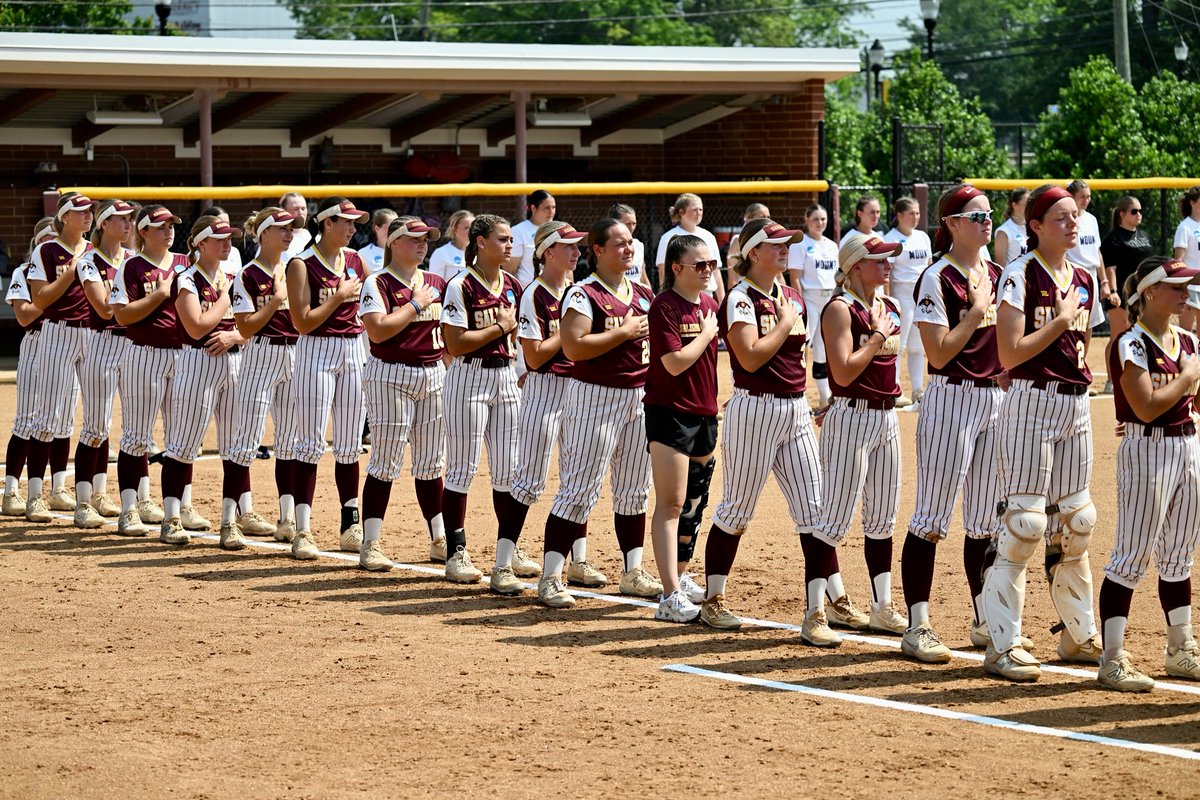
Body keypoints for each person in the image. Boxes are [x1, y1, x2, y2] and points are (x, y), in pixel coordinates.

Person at [982, 184, 1106, 682]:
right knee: (1025, 524)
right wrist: (1059, 322)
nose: (1072, 223)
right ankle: (1002, 644)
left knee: (1077, 521)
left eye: (1075, 215)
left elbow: (1084, 348)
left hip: (1075, 403)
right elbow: (1009, 354)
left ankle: (1077, 633)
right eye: (1059, 217)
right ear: (1034, 225)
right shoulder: (1019, 274)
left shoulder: (1081, 276)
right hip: (1032, 401)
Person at [899, 185, 1007, 663]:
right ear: (952, 224)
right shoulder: (936, 277)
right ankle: (917, 626)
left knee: (985, 522)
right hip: (951, 400)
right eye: (976, 214)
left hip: (994, 401)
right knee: (931, 518)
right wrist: (978, 312)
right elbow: (938, 352)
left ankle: (984, 619)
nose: (987, 221)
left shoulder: (999, 273)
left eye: (989, 214)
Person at [535, 218, 661, 609]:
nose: (628, 248)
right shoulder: (582, 292)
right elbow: (573, 348)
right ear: (599, 250)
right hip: (595, 397)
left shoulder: (642, 291)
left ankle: (633, 571)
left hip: (637, 396)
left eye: (631, 242)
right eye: (619, 243)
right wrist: (621, 333)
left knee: (634, 489)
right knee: (579, 488)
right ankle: (551, 576)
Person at [705, 219, 816, 632]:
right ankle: (713, 598)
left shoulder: (790, 296)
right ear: (754, 253)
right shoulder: (740, 298)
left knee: (815, 511)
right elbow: (749, 358)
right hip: (755, 409)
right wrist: (785, 323)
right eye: (777, 243)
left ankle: (821, 606)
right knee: (737, 507)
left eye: (788, 242)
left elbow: (797, 357)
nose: (786, 247)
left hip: (796, 409)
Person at [1097, 256, 1200, 691]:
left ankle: (1180, 647)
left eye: (1186, 286)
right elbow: (1147, 406)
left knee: (1180, 554)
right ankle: (1113, 657)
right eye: (1176, 287)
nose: (1185, 293)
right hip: (1148, 448)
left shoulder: (1189, 341)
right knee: (1132, 554)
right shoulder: (1131, 342)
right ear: (1151, 293)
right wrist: (1188, 378)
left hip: (1188, 444)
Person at [805, 233, 908, 644]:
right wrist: (879, 338)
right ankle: (814, 612)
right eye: (879, 258)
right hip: (851, 417)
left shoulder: (891, 306)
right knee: (833, 520)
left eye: (888, 258)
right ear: (855, 266)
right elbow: (844, 373)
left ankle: (882, 607)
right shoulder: (838, 309)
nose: (887, 264)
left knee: (883, 519)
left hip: (887, 418)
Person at [507, 221, 605, 588]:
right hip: (545, 389)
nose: (577, 252)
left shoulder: (578, 291)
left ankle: (578, 561)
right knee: (529, 479)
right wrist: (569, 338)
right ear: (548, 251)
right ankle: (503, 564)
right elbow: (533, 358)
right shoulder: (534, 293)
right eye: (568, 246)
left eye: (579, 245)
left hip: (579, 388)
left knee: (576, 479)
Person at [439, 214, 527, 590]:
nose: (510, 245)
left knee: (508, 471)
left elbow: (518, 336)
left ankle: (508, 551)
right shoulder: (460, 284)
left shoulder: (513, 284)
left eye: (511, 239)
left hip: (505, 374)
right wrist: (498, 328)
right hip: (469, 376)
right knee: (462, 467)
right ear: (480, 242)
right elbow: (454, 343)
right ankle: (456, 552)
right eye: (503, 239)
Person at [357, 217, 449, 571]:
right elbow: (378, 332)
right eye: (414, 238)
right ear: (394, 242)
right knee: (386, 459)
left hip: (434, 373)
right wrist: (414, 305)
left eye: (426, 238)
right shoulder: (376, 282)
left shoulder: (437, 282)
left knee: (430, 463)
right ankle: (371, 543)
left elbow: (445, 335)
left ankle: (439, 539)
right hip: (390, 374)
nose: (423, 243)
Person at [286, 197, 369, 561]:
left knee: (350, 442)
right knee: (310, 443)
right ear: (326, 223)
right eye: (346, 221)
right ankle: (302, 529)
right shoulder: (301, 264)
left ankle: (350, 524)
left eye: (354, 222)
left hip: (353, 348)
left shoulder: (354, 259)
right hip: (315, 351)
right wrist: (336, 298)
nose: (352, 228)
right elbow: (301, 322)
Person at [157, 216, 247, 548]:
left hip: (235, 362)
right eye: (219, 238)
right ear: (200, 243)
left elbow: (250, 328)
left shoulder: (235, 278)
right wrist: (227, 298)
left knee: (236, 445)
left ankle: (229, 522)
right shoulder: (186, 279)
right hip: (197, 360)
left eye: (229, 239)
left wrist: (234, 335)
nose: (227, 244)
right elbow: (196, 327)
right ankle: (171, 518)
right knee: (183, 444)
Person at [645, 233, 721, 623]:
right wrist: (707, 334)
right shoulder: (664, 306)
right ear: (677, 268)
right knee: (672, 503)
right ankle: (669, 594)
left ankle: (681, 574)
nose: (708, 270)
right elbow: (674, 363)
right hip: (670, 413)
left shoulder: (709, 303)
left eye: (712, 264)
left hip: (705, 412)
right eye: (700, 265)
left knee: (695, 502)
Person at [108, 205, 191, 536]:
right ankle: (129, 510)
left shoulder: (185, 263)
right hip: (143, 354)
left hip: (184, 356)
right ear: (143, 231)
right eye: (160, 227)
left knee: (181, 436)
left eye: (171, 226)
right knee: (136, 436)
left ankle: (178, 510)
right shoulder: (130, 266)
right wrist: (159, 293)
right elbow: (122, 316)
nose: (169, 231)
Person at [228, 207, 306, 544]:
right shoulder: (246, 274)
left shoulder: (297, 270)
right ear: (263, 234)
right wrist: (274, 302)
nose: (289, 234)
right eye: (281, 228)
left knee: (289, 443)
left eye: (292, 229)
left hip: (296, 352)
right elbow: (244, 327)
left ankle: (287, 518)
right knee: (245, 440)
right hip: (260, 351)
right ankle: (228, 521)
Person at [25, 193, 95, 520]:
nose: (88, 216)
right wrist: (71, 272)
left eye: (90, 210)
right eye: (80, 211)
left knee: (74, 417)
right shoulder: (47, 250)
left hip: (91, 334)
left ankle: (63, 489)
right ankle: (35, 496)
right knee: (47, 416)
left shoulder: (94, 250)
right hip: (58, 331)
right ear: (65, 216)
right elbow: (40, 299)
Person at [72, 199, 138, 527]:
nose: (128, 224)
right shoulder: (88, 261)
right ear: (104, 224)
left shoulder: (133, 259)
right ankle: (83, 502)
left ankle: (106, 493)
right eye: (121, 219)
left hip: (135, 343)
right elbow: (103, 307)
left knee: (134, 428)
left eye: (131, 219)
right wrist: (133, 300)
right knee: (96, 425)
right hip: (102, 343)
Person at [2, 218, 57, 518]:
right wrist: (51, 295)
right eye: (45, 239)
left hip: (69, 341)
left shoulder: (70, 272)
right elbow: (24, 317)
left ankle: (57, 488)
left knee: (58, 423)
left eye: (55, 239)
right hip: (37, 342)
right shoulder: (23, 272)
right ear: (36, 243)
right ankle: (11, 491)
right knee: (27, 420)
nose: (50, 244)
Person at [883, 196, 933, 407]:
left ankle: (917, 390)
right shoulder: (890, 238)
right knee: (899, 345)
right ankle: (892, 390)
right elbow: (887, 273)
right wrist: (889, 301)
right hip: (902, 294)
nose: (915, 217)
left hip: (921, 294)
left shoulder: (922, 236)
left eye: (918, 213)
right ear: (900, 215)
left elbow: (929, 265)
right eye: (911, 213)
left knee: (918, 346)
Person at [1101, 196, 1154, 391]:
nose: (1138, 214)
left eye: (1140, 211)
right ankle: (1111, 380)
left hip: (1142, 294)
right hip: (1121, 294)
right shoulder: (1114, 238)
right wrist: (1113, 292)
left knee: (1141, 335)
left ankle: (1139, 377)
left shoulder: (1145, 236)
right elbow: (1110, 268)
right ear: (1122, 214)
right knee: (1117, 336)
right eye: (1134, 211)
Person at [788, 203, 839, 406]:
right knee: (804, 343)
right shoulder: (800, 244)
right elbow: (795, 279)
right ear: (807, 220)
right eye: (816, 219)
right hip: (809, 298)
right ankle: (797, 391)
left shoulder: (831, 245)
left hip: (829, 297)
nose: (820, 223)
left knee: (823, 347)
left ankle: (824, 397)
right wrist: (802, 307)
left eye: (823, 219)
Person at [655, 193, 725, 303]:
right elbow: (663, 272)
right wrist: (666, 299)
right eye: (694, 210)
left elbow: (716, 272)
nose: (699, 213)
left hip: (707, 295)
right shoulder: (668, 237)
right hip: (680, 295)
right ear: (681, 212)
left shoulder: (708, 236)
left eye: (701, 210)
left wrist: (722, 302)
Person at [508, 190, 555, 287]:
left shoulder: (559, 229)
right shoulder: (519, 231)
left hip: (555, 293)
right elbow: (510, 271)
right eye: (546, 208)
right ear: (533, 208)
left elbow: (567, 270)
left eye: (553, 207)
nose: (551, 212)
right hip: (527, 293)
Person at [1172, 185, 1200, 333]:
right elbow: (1179, 260)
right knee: (1186, 332)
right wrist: (1182, 285)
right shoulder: (1185, 227)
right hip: (1190, 286)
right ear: (1193, 202)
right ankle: (1184, 356)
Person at [724, 202, 770, 287]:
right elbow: (733, 276)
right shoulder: (738, 240)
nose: (766, 220)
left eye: (768, 217)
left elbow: (778, 276)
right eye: (762, 216)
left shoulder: (770, 239)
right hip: (746, 291)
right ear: (748, 217)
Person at [609, 203, 650, 287]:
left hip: (637, 295)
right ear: (615, 223)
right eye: (628, 224)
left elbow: (642, 276)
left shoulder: (638, 245)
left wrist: (651, 297)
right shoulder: (608, 247)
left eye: (634, 224)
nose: (632, 227)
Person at [428, 209, 474, 281]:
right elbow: (435, 286)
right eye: (466, 228)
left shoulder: (480, 253)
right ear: (454, 230)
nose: (472, 231)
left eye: (473, 227)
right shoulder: (441, 253)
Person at [356, 208, 398, 276]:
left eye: (397, 227)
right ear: (377, 228)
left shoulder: (404, 251)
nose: (395, 231)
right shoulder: (363, 254)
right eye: (390, 227)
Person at [993, 188, 1029, 265]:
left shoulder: (1032, 227)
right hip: (1013, 276)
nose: (1030, 208)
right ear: (1014, 205)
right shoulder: (1004, 231)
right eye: (1026, 205)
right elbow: (1000, 267)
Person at [279, 192, 312, 256]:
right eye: (295, 209)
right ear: (283, 210)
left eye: (303, 209)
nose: (300, 213)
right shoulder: (274, 239)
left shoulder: (315, 238)